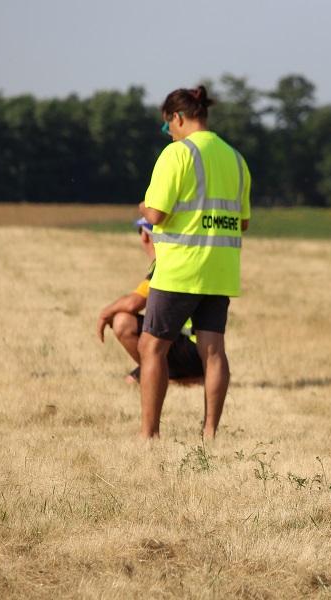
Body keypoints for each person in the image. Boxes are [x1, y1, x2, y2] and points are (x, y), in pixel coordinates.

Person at [138, 85, 251, 440]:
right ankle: (211, 433)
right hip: (220, 270)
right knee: (213, 350)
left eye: (165, 126)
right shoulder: (236, 158)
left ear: (177, 117)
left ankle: (148, 433)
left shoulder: (176, 154)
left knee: (152, 346)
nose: (168, 133)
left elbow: (155, 213)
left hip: (179, 270)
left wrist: (142, 209)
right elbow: (243, 221)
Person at [96, 218, 204, 386]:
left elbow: (134, 303)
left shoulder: (164, 262)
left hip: (189, 348)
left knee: (122, 322)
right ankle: (178, 377)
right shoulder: (182, 258)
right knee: (131, 381)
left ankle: (167, 377)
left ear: (145, 237)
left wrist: (105, 314)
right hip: (203, 348)